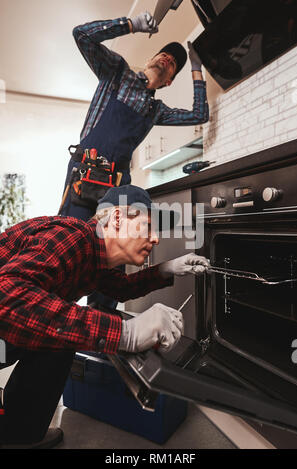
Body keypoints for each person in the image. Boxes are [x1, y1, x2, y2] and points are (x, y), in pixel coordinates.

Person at [0, 185, 209, 449]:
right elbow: (6, 296)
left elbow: (122, 287)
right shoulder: (72, 237)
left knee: (63, 335)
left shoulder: (94, 257)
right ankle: (17, 434)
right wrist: (126, 333)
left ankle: (17, 435)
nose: (155, 238)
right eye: (147, 226)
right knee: (64, 334)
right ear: (118, 219)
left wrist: (167, 269)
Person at [60, 10, 209, 310]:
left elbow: (199, 115)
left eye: (174, 64)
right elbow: (82, 34)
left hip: (117, 192)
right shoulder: (117, 72)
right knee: (68, 255)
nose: (168, 59)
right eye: (165, 54)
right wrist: (131, 25)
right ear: (153, 56)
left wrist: (196, 71)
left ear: (169, 81)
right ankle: (52, 327)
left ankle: (100, 337)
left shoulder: (156, 110)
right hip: (84, 179)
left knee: (112, 268)